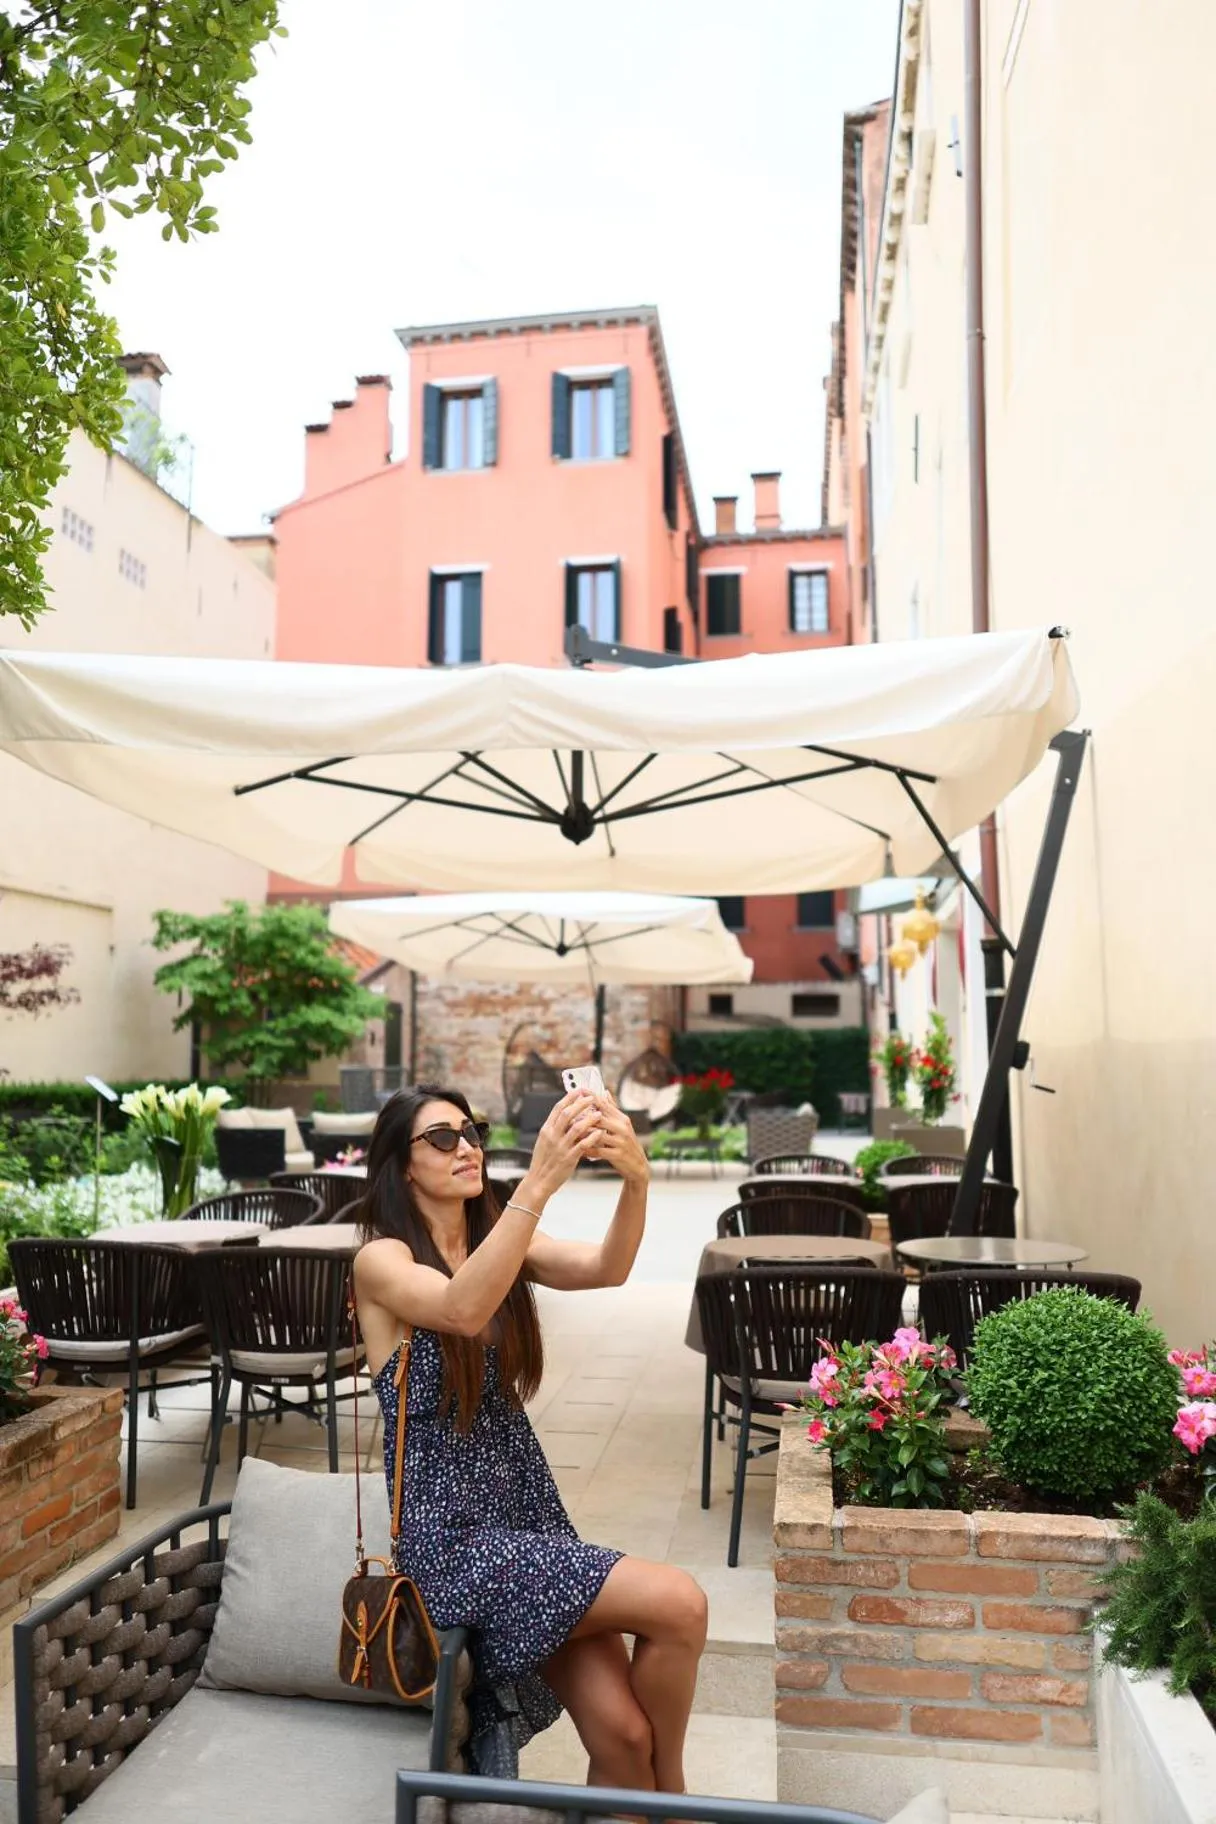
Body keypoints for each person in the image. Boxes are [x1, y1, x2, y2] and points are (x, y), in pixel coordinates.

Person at [353, 1082, 708, 1793]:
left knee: (624, 1734)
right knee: (681, 1602)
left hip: (525, 1519)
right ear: (402, 1166)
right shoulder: (380, 1262)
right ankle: (676, 1798)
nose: (468, 1147)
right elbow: (459, 1307)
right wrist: (540, 1182)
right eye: (443, 1138)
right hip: (451, 1545)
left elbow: (609, 1267)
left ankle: (658, 1791)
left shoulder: (500, 1240)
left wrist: (635, 1181)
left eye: (472, 1131)